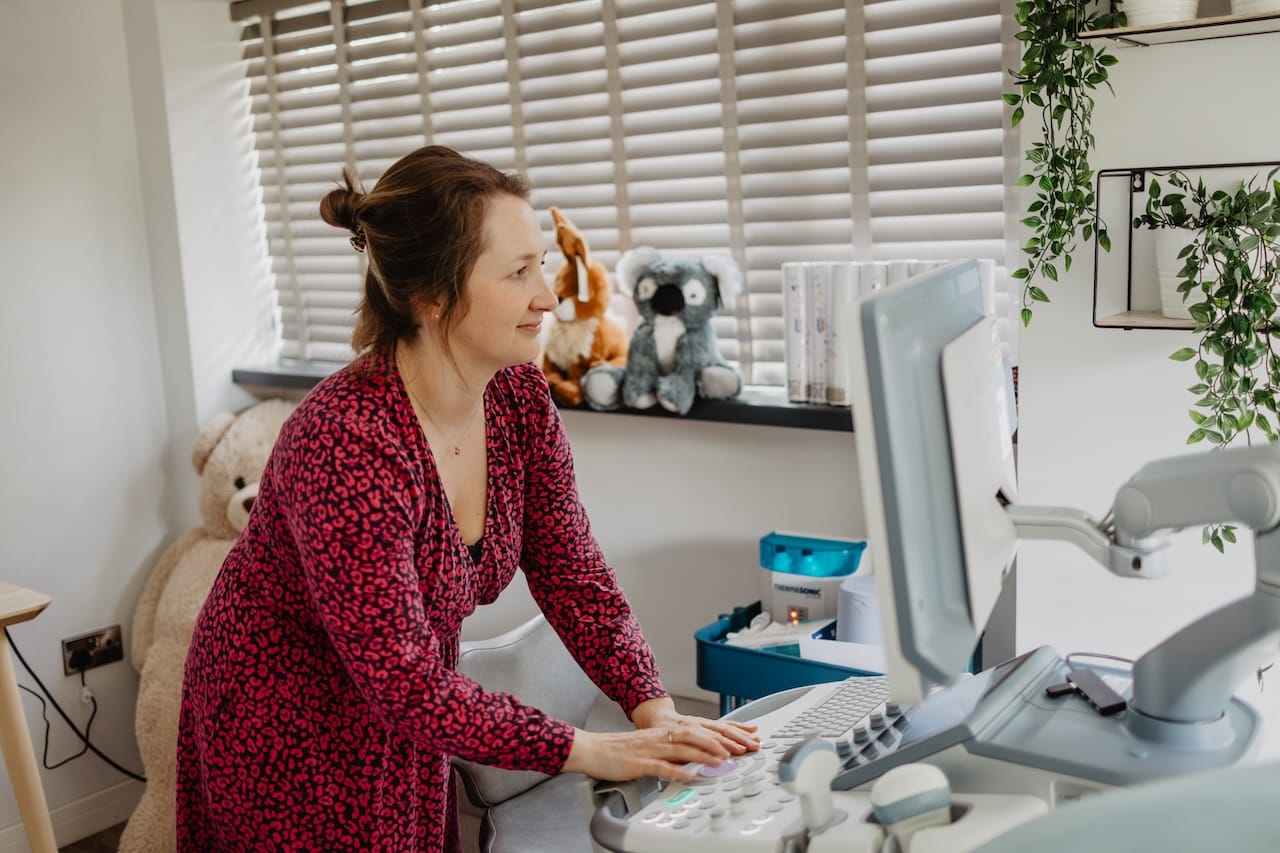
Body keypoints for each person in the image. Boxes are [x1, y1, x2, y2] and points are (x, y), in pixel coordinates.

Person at [175, 145, 759, 852]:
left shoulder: (518, 397)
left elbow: (573, 573)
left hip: (410, 706)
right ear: (430, 297)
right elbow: (407, 683)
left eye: (540, 263)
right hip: (286, 711)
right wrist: (595, 750)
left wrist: (654, 712)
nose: (546, 295)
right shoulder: (347, 445)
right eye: (518, 272)